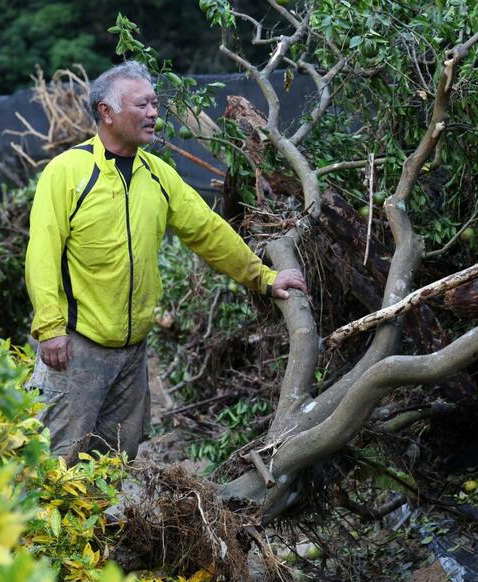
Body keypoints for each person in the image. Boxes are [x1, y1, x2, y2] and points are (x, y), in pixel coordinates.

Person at [25, 61, 306, 463]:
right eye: (143, 104)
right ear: (107, 112)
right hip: (74, 348)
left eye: (155, 103)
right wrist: (50, 327)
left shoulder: (157, 174)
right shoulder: (68, 171)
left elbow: (207, 231)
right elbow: (43, 252)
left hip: (132, 355)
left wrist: (263, 277)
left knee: (114, 464)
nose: (154, 113)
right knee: (54, 463)